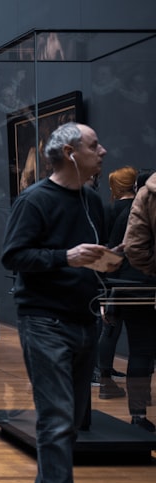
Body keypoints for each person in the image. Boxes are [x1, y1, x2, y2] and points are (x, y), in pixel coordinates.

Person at [1, 121, 112, 483]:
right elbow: (14, 256)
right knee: (58, 416)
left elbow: (90, 257)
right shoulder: (34, 201)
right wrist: (66, 257)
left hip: (84, 319)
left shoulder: (91, 201)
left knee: (71, 416)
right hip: (45, 321)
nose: (102, 150)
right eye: (94, 144)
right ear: (70, 153)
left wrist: (103, 275)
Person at [94, 166, 137, 398]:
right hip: (134, 276)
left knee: (110, 327)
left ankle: (105, 376)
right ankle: (107, 379)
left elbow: (103, 243)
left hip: (112, 275)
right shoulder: (136, 209)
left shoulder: (109, 209)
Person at [119, 169, 156, 431]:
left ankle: (138, 413)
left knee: (141, 351)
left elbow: (134, 247)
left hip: (143, 287)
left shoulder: (147, 193)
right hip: (142, 288)